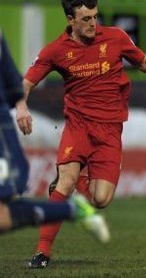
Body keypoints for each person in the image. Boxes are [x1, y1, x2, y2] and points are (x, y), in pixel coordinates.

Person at [15, 0, 146, 269]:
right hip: (78, 125)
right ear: (70, 19)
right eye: (86, 18)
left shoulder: (115, 37)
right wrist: (21, 107)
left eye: (95, 16)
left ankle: (72, 179)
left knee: (100, 199)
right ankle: (42, 252)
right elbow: (26, 83)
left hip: (111, 130)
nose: (93, 23)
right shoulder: (56, 50)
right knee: (65, 182)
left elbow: (144, 62)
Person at [0, 29, 109, 243]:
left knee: (2, 216)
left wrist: (20, 106)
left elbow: (14, 86)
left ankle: (70, 210)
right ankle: (70, 210)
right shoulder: (56, 49)